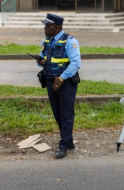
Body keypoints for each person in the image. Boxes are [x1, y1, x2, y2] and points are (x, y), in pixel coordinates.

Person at [36, 13, 81, 159]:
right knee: (57, 113)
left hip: (65, 83)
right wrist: (40, 61)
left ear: (56, 27)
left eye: (47, 26)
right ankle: (68, 141)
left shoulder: (70, 41)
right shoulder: (47, 40)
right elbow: (43, 59)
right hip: (50, 81)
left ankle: (63, 145)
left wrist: (61, 78)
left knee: (66, 114)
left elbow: (76, 64)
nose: (44, 28)